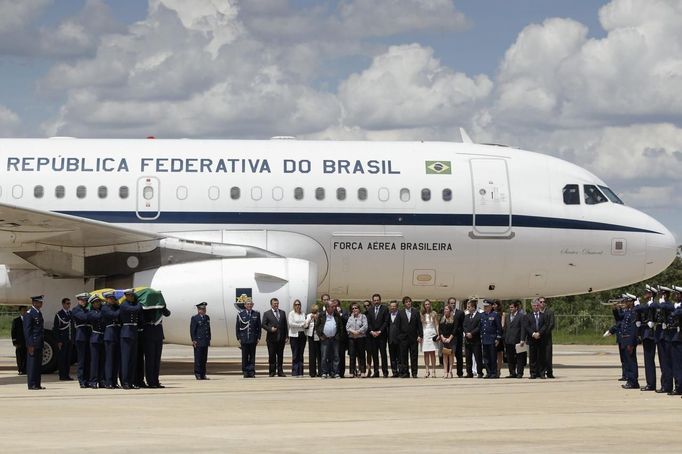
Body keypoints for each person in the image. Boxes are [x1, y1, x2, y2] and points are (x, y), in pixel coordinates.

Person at [143, 301, 171, 389]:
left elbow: (167, 313)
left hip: (158, 335)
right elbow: (146, 318)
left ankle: (156, 380)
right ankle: (151, 381)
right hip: (149, 335)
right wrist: (152, 307)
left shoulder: (160, 308)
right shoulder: (147, 308)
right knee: (150, 360)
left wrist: (163, 306)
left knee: (157, 360)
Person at [119, 288, 143, 388]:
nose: (131, 297)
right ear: (126, 296)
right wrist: (139, 303)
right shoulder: (124, 304)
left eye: (133, 296)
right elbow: (136, 309)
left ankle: (131, 381)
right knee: (126, 359)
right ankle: (125, 382)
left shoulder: (134, 304)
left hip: (133, 332)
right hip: (126, 332)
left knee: (133, 359)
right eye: (130, 295)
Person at [636, 284, 658, 391]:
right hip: (645, 334)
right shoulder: (648, 305)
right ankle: (650, 383)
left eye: (646, 292)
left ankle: (651, 384)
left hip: (650, 335)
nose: (644, 294)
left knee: (649, 360)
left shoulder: (652, 305)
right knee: (647, 360)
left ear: (650, 294)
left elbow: (641, 308)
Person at [262, 297, 288, 377]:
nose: (276, 305)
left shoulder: (282, 312)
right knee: (272, 355)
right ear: (271, 304)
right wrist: (270, 329)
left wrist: (286, 336)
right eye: (275, 303)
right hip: (271, 339)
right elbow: (263, 324)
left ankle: (280, 371)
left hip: (281, 338)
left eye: (277, 303)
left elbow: (285, 325)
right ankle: (272, 371)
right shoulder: (267, 313)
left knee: (280, 356)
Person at [23, 295, 45, 390]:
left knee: (37, 364)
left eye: (41, 302)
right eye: (39, 302)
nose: (41, 303)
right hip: (33, 342)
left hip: (39, 342)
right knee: (32, 365)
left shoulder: (38, 313)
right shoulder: (29, 313)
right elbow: (27, 331)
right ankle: (31, 384)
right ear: (34, 303)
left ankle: (37, 383)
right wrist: (30, 344)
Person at [316, 300, 342, 378]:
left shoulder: (336, 315)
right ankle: (324, 372)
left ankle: (335, 372)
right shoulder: (322, 315)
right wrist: (320, 336)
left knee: (336, 356)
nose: (334, 308)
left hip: (334, 339)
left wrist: (338, 336)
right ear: (327, 307)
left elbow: (340, 327)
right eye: (332, 307)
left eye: (334, 306)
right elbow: (317, 327)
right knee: (324, 356)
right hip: (325, 339)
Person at [654, 285, 673, 393]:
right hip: (660, 336)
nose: (659, 296)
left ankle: (667, 385)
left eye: (661, 294)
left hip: (666, 336)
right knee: (662, 362)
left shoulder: (669, 305)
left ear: (665, 295)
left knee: (667, 362)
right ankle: (664, 384)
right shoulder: (660, 305)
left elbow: (668, 310)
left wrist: (662, 304)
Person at [398, 296, 422, 378]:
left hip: (413, 338)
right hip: (403, 338)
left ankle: (414, 372)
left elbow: (419, 325)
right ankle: (405, 372)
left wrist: (420, 335)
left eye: (409, 301)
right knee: (404, 356)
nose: (408, 303)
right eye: (406, 302)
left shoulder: (416, 312)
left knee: (414, 356)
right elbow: (398, 326)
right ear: (404, 304)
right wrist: (399, 337)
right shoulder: (400, 313)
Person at [366, 293, 389, 378]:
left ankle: (385, 371)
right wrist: (371, 331)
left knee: (383, 354)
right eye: (374, 300)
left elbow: (386, 322)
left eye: (377, 300)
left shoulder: (385, 309)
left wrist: (379, 331)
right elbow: (368, 322)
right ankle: (376, 371)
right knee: (374, 354)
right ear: (372, 301)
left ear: (380, 300)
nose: (376, 302)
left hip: (382, 335)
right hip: (373, 336)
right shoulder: (370, 310)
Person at [71, 292, 91, 388]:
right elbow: (84, 317)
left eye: (86, 300)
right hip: (81, 336)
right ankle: (82, 380)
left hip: (88, 336)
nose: (85, 302)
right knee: (82, 360)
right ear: (79, 300)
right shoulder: (76, 310)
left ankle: (87, 379)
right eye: (83, 300)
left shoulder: (86, 310)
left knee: (88, 360)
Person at [101, 291, 121, 388]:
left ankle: (114, 381)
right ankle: (108, 381)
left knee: (116, 360)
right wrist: (122, 309)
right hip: (109, 335)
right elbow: (114, 315)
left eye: (113, 298)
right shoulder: (105, 308)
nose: (112, 300)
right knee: (109, 360)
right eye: (110, 298)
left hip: (117, 335)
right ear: (107, 299)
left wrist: (119, 306)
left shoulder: (116, 307)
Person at [236, 300, 260, 378]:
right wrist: (238, 337)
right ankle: (245, 371)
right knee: (245, 356)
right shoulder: (240, 314)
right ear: (245, 305)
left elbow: (258, 327)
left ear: (252, 305)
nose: (249, 305)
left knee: (252, 356)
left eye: (251, 304)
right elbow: (237, 327)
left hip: (253, 338)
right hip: (244, 338)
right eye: (248, 304)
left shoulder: (256, 314)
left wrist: (258, 337)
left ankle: (252, 371)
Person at [503, 301, 527, 378]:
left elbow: (523, 328)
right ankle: (512, 373)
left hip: (518, 340)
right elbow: (506, 328)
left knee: (519, 357)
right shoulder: (507, 316)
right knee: (510, 358)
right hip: (509, 340)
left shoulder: (521, 316)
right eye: (510, 307)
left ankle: (520, 373)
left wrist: (522, 339)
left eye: (512, 307)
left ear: (516, 308)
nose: (511, 309)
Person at [86, 294, 106, 388]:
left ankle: (101, 380)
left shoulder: (102, 311)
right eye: (96, 302)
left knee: (102, 361)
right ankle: (93, 381)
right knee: (94, 361)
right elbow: (98, 317)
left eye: (99, 302)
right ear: (92, 304)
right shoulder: (91, 312)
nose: (98, 304)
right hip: (95, 337)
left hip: (103, 337)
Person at [526, 298, 548, 379]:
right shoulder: (528, 316)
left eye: (537, 305)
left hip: (541, 338)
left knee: (541, 356)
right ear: (532, 306)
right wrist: (533, 333)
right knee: (532, 357)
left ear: (539, 306)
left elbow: (545, 325)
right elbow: (527, 326)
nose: (536, 307)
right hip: (532, 339)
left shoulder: (543, 315)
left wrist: (539, 333)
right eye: (534, 305)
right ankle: (533, 373)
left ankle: (542, 373)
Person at [480, 300, 503, 378]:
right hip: (484, 338)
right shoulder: (482, 315)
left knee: (493, 357)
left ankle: (494, 372)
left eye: (487, 306)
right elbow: (481, 327)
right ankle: (488, 372)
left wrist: (498, 338)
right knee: (486, 357)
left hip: (492, 339)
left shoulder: (495, 315)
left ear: (490, 306)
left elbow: (499, 328)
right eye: (484, 306)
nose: (485, 308)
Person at [53, 298, 73, 381]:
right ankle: (62, 375)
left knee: (68, 359)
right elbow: (56, 329)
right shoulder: (59, 314)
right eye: (67, 303)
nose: (68, 305)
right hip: (62, 340)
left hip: (69, 339)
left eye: (69, 303)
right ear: (63, 304)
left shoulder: (71, 314)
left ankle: (67, 375)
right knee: (62, 358)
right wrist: (58, 341)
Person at [190, 302, 211, 379]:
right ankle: (198, 374)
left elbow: (208, 329)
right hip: (198, 341)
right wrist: (194, 340)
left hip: (205, 340)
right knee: (198, 358)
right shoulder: (195, 318)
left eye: (204, 309)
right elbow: (193, 330)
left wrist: (209, 339)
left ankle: (203, 374)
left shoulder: (207, 318)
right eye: (202, 309)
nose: (204, 310)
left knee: (204, 359)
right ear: (198, 310)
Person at [346, 303, 368, 377]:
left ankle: (362, 371)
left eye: (356, 308)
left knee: (361, 355)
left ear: (359, 309)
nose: (354, 310)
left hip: (361, 338)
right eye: (353, 308)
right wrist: (353, 332)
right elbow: (347, 327)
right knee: (352, 355)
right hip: (352, 338)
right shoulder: (350, 317)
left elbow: (365, 326)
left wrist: (358, 331)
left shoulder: (363, 316)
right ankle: (352, 372)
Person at [463, 299, 483, 378]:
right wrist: (467, 333)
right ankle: (469, 372)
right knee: (468, 357)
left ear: (474, 307)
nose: (468, 308)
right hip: (468, 340)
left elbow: (479, 327)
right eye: (467, 307)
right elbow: (464, 325)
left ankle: (479, 372)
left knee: (478, 357)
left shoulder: (479, 316)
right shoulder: (467, 316)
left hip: (476, 340)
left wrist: (472, 333)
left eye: (469, 307)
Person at [420, 299, 439, 378]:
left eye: (428, 304)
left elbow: (437, 324)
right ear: (424, 305)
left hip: (432, 333)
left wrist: (438, 334)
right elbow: (420, 325)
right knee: (426, 353)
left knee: (432, 353)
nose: (427, 306)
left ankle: (433, 370)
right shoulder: (421, 314)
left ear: (430, 305)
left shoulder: (434, 313)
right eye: (426, 304)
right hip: (425, 334)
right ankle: (427, 370)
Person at [288, 299, 307, 376]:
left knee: (301, 353)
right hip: (294, 335)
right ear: (294, 306)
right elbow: (291, 323)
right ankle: (295, 372)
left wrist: (303, 324)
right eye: (296, 304)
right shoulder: (291, 314)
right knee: (295, 354)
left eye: (299, 304)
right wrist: (300, 325)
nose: (297, 306)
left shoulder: (303, 313)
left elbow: (305, 323)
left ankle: (300, 371)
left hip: (302, 335)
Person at [447, 298, 465, 378]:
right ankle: (447, 371)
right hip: (448, 338)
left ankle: (460, 372)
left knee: (459, 355)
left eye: (454, 303)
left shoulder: (460, 313)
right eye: (451, 303)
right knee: (448, 354)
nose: (453, 304)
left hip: (458, 337)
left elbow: (463, 325)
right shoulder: (446, 312)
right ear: (448, 304)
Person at [539, 297, 556, 378]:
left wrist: (543, 332)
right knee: (539, 355)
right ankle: (540, 372)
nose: (542, 303)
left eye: (543, 301)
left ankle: (549, 372)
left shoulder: (550, 312)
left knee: (548, 356)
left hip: (547, 337)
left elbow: (551, 324)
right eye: (541, 302)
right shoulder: (537, 312)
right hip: (538, 337)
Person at [334, 299, 350, 378]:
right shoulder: (331, 312)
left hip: (341, 337)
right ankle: (333, 371)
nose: (336, 307)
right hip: (332, 337)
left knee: (341, 355)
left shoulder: (344, 312)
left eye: (337, 305)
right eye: (334, 305)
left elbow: (347, 320)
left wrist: (340, 313)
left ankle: (341, 372)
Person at [439, 305, 456, 378]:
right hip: (444, 339)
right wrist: (442, 337)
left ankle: (450, 371)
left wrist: (449, 338)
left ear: (450, 310)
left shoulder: (453, 319)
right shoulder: (442, 319)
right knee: (445, 355)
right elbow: (440, 329)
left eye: (446, 309)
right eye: (444, 309)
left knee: (451, 355)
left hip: (451, 339)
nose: (445, 310)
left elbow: (455, 330)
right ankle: (445, 371)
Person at [305, 305, 321, 377]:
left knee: (319, 354)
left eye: (316, 310)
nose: (314, 312)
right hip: (311, 336)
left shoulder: (320, 315)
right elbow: (305, 325)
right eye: (313, 310)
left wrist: (317, 318)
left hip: (319, 336)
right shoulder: (308, 315)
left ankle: (320, 371)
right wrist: (310, 319)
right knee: (312, 355)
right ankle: (312, 372)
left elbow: (321, 324)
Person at [11, 306, 28, 375]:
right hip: (19, 342)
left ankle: (25, 370)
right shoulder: (16, 321)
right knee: (20, 357)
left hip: (27, 342)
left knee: (26, 357)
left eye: (25, 310)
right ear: (20, 311)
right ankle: (20, 370)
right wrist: (14, 342)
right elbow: (13, 332)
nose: (24, 312)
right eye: (23, 310)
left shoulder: (29, 320)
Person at [387, 301, 402, 377]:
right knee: (392, 357)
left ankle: (400, 371)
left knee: (399, 357)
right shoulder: (388, 315)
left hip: (399, 340)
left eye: (394, 306)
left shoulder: (400, 315)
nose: (392, 307)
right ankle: (394, 372)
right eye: (391, 306)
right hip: (390, 339)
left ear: (397, 307)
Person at [492, 300, 506, 376]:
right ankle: (493, 369)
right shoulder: (491, 313)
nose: (493, 306)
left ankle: (498, 369)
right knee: (492, 353)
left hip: (499, 335)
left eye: (495, 305)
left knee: (499, 353)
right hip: (491, 335)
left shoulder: (502, 314)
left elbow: (502, 325)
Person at [363, 300, 373, 374]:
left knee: (369, 354)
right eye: (365, 306)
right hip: (363, 336)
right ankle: (362, 369)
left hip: (371, 336)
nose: (366, 307)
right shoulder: (363, 314)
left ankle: (369, 369)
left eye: (368, 305)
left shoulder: (374, 313)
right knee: (361, 354)